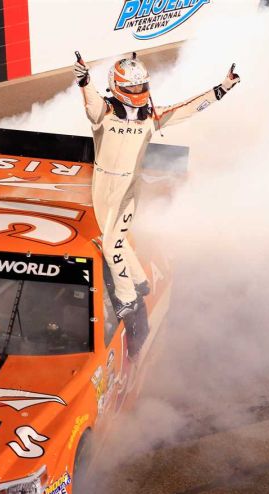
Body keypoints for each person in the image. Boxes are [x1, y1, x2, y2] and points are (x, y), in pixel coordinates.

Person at [74, 53, 240, 318]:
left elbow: (188, 108)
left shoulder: (152, 116)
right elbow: (91, 100)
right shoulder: (102, 112)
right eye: (132, 87)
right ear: (117, 85)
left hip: (127, 186)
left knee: (110, 245)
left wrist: (222, 88)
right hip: (101, 182)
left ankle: (128, 297)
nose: (138, 91)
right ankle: (140, 281)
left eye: (141, 86)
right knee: (111, 237)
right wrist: (83, 80)